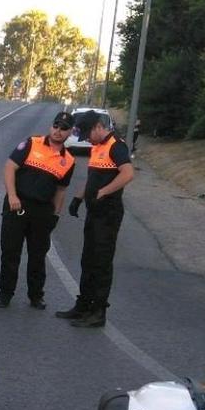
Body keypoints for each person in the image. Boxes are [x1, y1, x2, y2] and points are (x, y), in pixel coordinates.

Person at [60, 111, 135, 328]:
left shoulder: (115, 146)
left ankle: (98, 312)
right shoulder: (97, 148)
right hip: (94, 213)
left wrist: (104, 192)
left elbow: (128, 173)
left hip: (108, 214)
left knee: (101, 263)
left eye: (87, 134)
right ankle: (83, 305)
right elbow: (93, 177)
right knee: (88, 261)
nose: (87, 139)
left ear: (98, 127)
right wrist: (78, 198)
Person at [0, 111, 76, 309]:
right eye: (56, 126)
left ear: (70, 132)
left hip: (42, 211)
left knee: (38, 255)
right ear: (52, 126)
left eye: (63, 128)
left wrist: (56, 215)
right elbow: (9, 167)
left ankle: (36, 296)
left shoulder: (69, 161)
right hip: (17, 205)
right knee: (10, 253)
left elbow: (61, 190)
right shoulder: (31, 143)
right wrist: (13, 195)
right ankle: (5, 294)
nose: (58, 131)